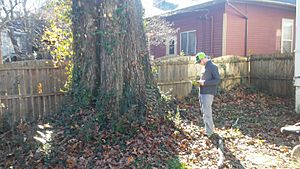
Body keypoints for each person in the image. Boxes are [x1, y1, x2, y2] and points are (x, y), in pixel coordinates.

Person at [195, 52, 220, 137]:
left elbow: (217, 80)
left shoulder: (213, 67)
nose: (199, 63)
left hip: (208, 94)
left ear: (203, 59)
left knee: (207, 113)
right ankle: (208, 129)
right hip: (202, 93)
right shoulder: (205, 67)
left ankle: (210, 133)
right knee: (204, 112)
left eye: (199, 62)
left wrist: (204, 83)